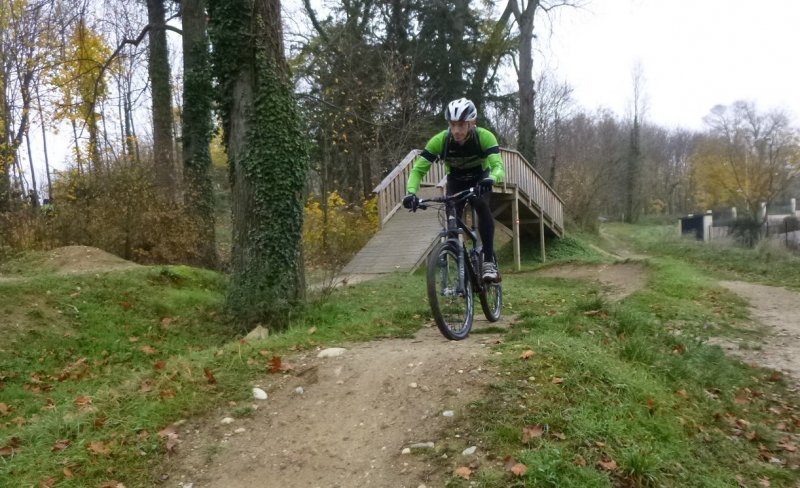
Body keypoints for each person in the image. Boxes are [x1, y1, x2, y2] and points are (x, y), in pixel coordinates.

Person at [402, 98, 505, 282]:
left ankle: (488, 261)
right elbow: (418, 170)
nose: (456, 130)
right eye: (452, 125)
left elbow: (498, 166)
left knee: (481, 205)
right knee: (451, 223)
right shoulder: (440, 141)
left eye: (461, 125)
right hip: (455, 181)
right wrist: (411, 192)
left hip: (479, 178)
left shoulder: (484, 137)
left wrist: (492, 178)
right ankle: (461, 266)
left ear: (472, 123)